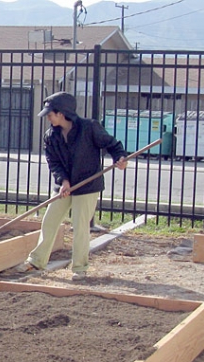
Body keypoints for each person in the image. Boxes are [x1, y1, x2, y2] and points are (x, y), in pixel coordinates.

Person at [15, 91, 128, 281]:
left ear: (62, 113)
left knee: (80, 226)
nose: (48, 118)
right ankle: (36, 261)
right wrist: (63, 181)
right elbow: (53, 162)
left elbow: (112, 144)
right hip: (64, 187)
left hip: (88, 185)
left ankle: (79, 268)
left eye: (50, 114)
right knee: (49, 220)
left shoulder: (89, 128)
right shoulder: (51, 136)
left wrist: (120, 159)